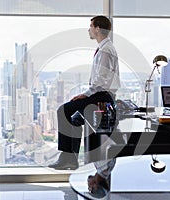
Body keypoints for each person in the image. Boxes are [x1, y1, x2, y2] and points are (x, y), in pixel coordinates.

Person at [48, 16, 121, 170]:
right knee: (74, 118)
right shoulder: (104, 47)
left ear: (98, 29)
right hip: (100, 93)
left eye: (91, 26)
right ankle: (70, 158)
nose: (89, 29)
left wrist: (86, 94)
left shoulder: (106, 50)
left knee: (64, 110)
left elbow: (100, 80)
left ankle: (67, 157)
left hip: (102, 96)